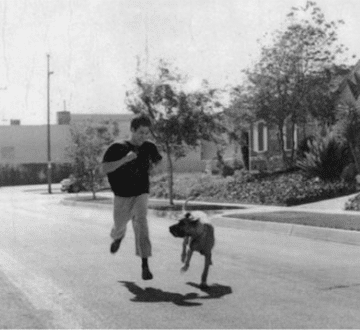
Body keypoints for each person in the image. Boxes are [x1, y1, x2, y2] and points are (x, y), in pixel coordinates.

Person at [102, 114, 162, 280]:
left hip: (141, 192)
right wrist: (124, 160)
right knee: (120, 224)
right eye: (141, 133)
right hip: (122, 196)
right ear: (132, 130)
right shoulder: (117, 147)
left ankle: (145, 265)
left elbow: (158, 161)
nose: (144, 137)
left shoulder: (149, 147)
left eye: (146, 133)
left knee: (141, 223)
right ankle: (118, 237)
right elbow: (103, 169)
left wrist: (154, 167)